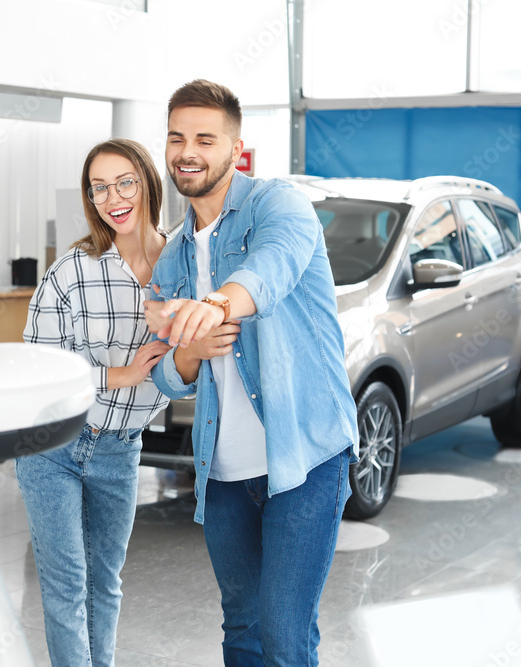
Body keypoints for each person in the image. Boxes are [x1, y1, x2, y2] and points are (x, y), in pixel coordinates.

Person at [144, 79, 359, 666]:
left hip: (304, 456)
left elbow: (273, 268)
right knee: (241, 627)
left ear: (235, 148)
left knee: (285, 634)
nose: (188, 152)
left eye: (205, 139)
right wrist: (192, 348)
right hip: (223, 471)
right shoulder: (173, 255)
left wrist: (213, 305)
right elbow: (164, 371)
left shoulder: (276, 203)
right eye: (176, 138)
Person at [17, 138, 171, 667]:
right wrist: (119, 373)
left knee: (104, 583)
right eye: (99, 187)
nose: (114, 197)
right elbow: (39, 372)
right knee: (67, 588)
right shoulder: (71, 272)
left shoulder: (184, 267)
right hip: (52, 442)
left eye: (125, 181)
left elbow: (192, 368)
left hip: (121, 449)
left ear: (148, 183)